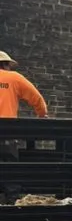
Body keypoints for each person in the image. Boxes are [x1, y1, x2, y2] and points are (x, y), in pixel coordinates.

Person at [0, 50, 48, 204]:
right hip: (7, 131)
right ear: (6, 64)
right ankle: (11, 201)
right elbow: (36, 97)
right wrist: (42, 114)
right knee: (10, 166)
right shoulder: (14, 78)